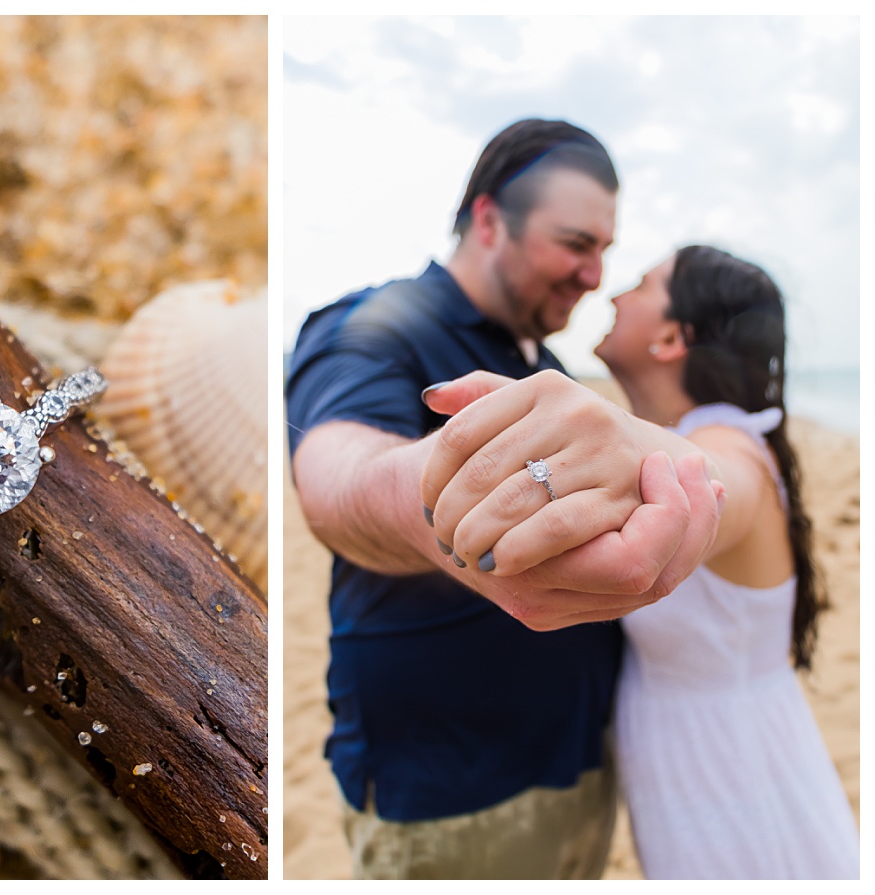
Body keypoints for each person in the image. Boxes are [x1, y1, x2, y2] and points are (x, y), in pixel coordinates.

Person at [285, 119, 722, 879]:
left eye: (605, 253)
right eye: (576, 243)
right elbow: (336, 478)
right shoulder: (376, 326)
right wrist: (446, 504)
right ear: (489, 220)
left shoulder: (548, 364)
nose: (593, 274)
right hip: (453, 796)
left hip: (584, 771)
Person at [422, 246, 859, 879]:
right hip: (690, 762)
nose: (617, 293)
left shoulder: (728, 442)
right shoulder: (702, 429)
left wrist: (620, 447)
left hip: (732, 775)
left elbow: (709, 479)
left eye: (643, 283)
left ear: (671, 337)